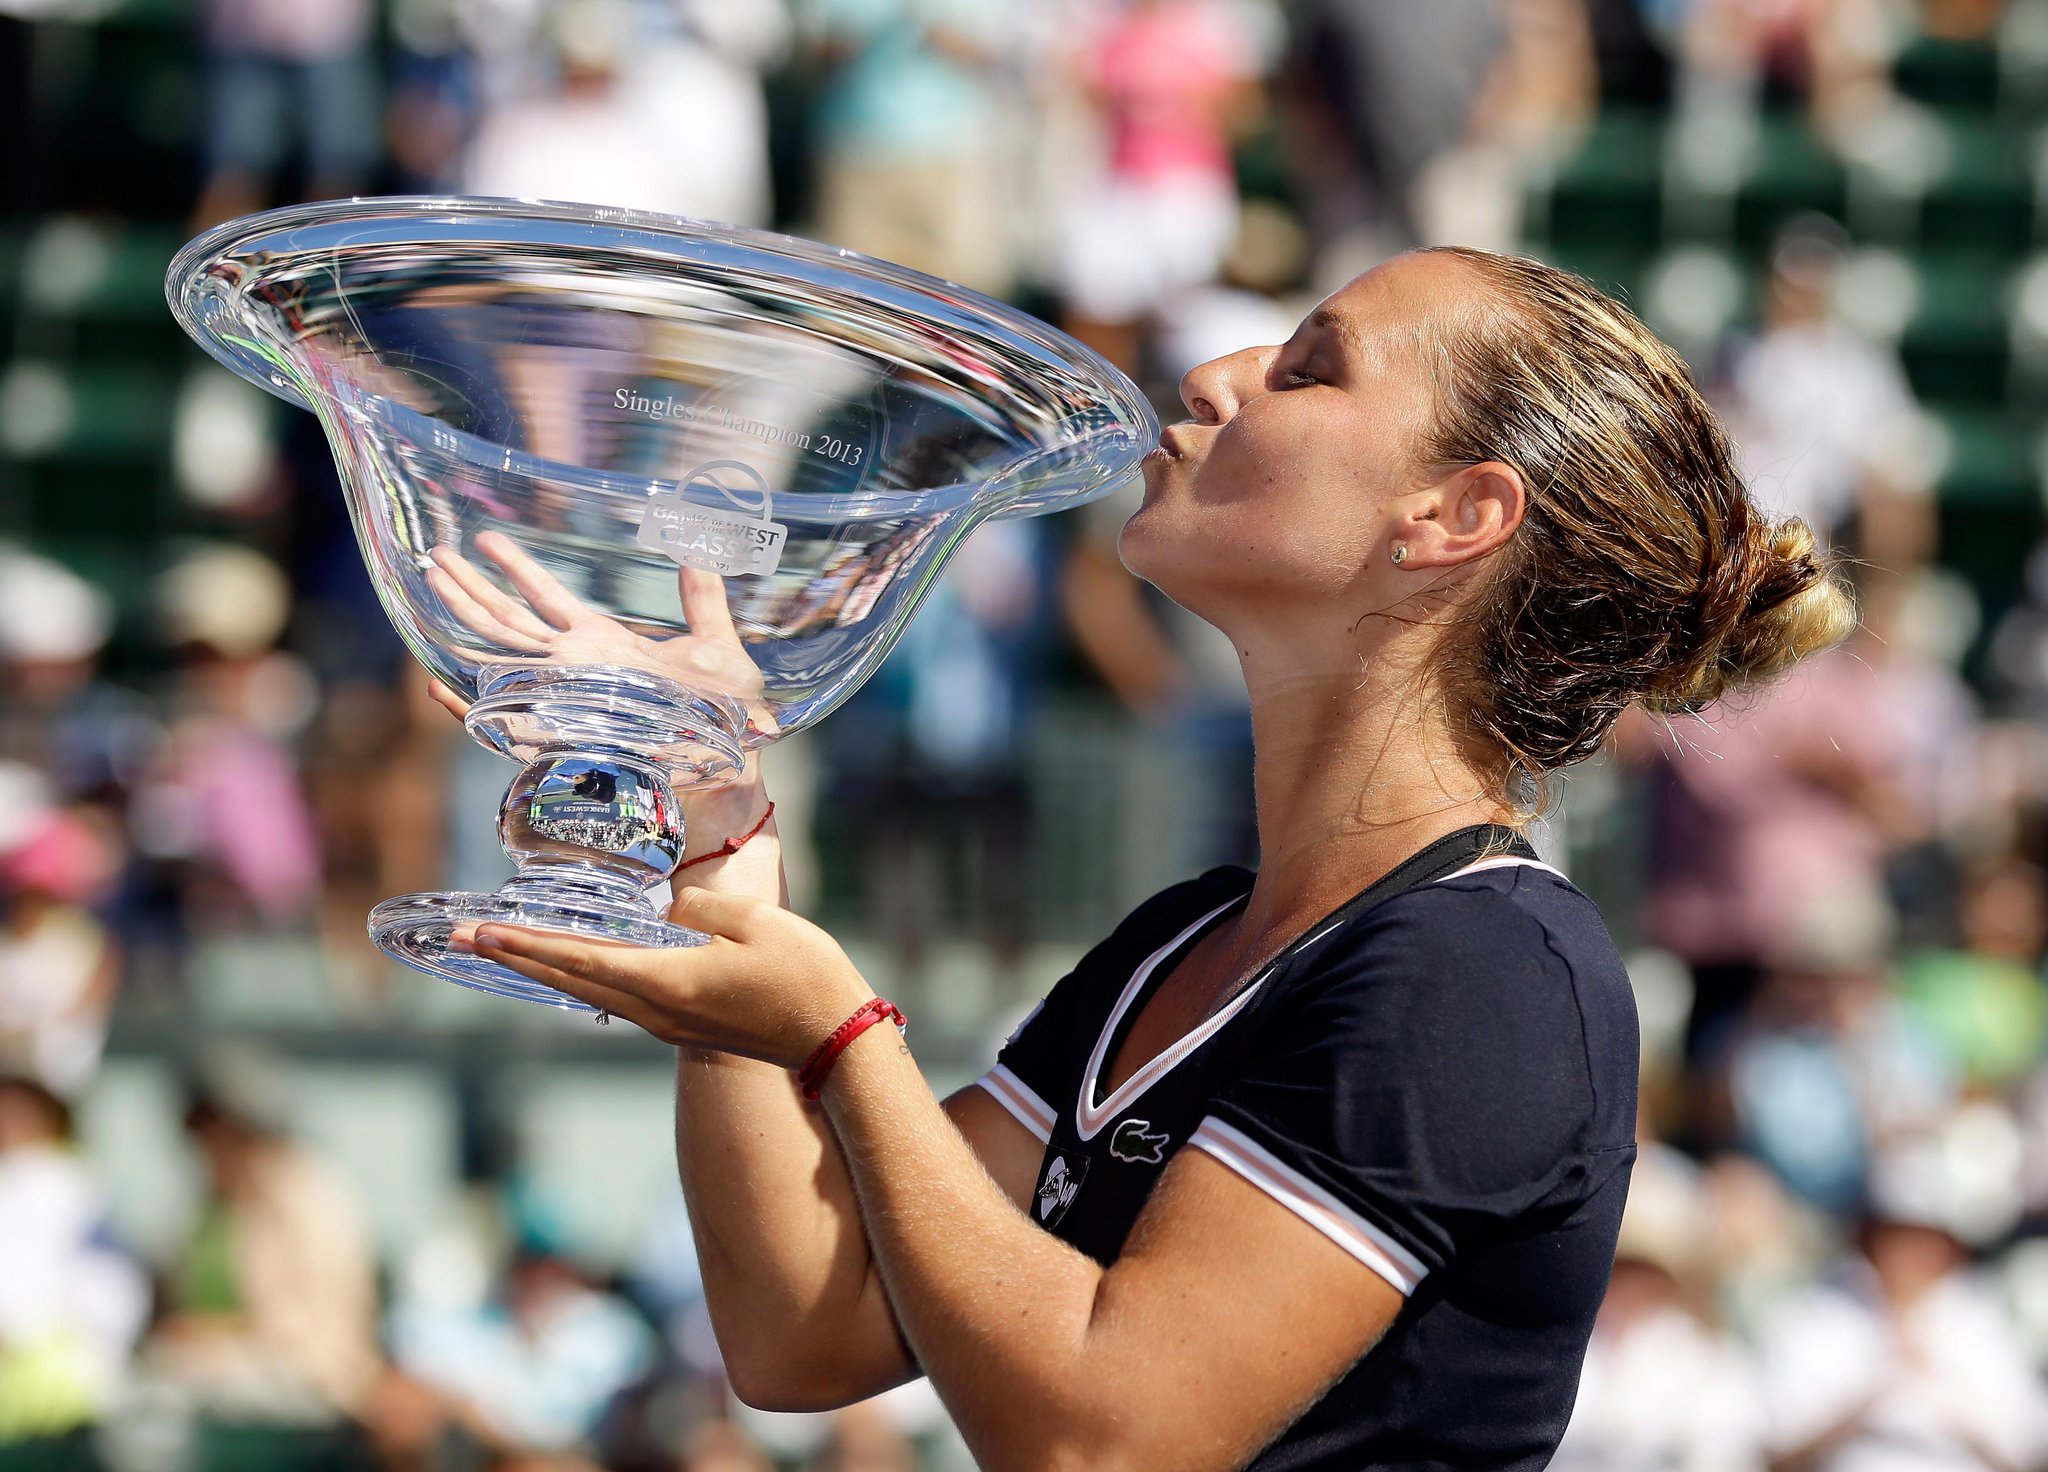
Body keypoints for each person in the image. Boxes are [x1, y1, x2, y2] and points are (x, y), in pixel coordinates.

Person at [428, 247, 1856, 1469]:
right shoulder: (1188, 940)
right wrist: (724, 860)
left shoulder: (1485, 973)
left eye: (1309, 368)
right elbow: (808, 1330)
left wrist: (843, 1038)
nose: (1217, 375)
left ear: (1455, 519)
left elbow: (1102, 1440)